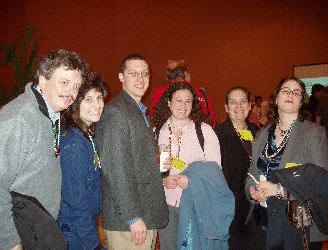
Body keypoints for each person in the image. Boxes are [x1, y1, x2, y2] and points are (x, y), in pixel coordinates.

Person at [0, 49, 89, 250]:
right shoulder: (19, 119)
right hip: (19, 236)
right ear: (43, 80)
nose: (71, 93)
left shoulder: (49, 114)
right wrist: (10, 244)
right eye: (64, 83)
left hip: (38, 231)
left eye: (76, 86)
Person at [245, 76, 328, 250]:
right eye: (285, 91)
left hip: (297, 224)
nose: (290, 94)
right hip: (263, 219)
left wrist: (278, 190)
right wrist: (252, 190)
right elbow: (252, 171)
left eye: (296, 92)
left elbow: (322, 181)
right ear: (276, 98)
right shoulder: (263, 132)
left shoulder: (314, 133)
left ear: (301, 101)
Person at [95, 54, 168, 250]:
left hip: (144, 213)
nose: (140, 79)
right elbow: (116, 170)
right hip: (128, 221)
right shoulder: (116, 112)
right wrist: (132, 217)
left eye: (144, 73)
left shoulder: (137, 111)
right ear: (121, 77)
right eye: (133, 73)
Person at [151, 81, 222, 250]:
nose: (183, 105)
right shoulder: (156, 132)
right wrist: (163, 181)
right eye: (178, 100)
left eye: (188, 101)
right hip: (166, 205)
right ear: (168, 103)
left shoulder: (204, 131)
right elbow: (148, 169)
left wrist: (191, 181)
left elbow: (215, 171)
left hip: (195, 203)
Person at [57, 72, 107, 250]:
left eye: (99, 97)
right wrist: (93, 245)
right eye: (88, 99)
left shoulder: (86, 134)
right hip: (74, 233)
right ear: (75, 103)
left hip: (83, 227)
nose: (97, 105)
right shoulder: (72, 143)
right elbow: (75, 204)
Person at [214, 87, 259, 249]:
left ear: (249, 106)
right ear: (226, 108)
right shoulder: (218, 134)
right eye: (233, 102)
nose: (238, 106)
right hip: (232, 208)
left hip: (255, 206)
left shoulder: (255, 130)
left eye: (243, 101)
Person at [150, 60, 216, 126]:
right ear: (185, 74)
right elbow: (212, 120)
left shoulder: (160, 93)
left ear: (167, 78)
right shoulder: (200, 93)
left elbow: (154, 118)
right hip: (198, 132)